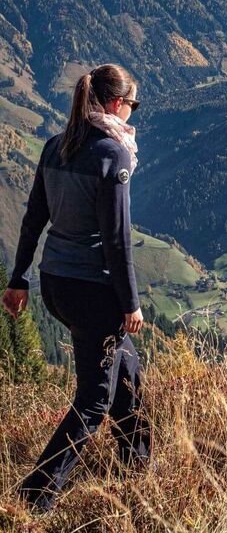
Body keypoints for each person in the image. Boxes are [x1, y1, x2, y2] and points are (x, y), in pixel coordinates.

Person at [1, 63, 151, 513]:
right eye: (132, 105)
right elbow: (117, 238)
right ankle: (33, 498)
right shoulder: (113, 154)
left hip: (56, 284)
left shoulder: (54, 146)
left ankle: (138, 475)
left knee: (129, 379)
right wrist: (131, 304)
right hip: (93, 291)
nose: (132, 114)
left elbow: (33, 219)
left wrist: (18, 278)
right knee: (94, 401)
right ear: (114, 104)